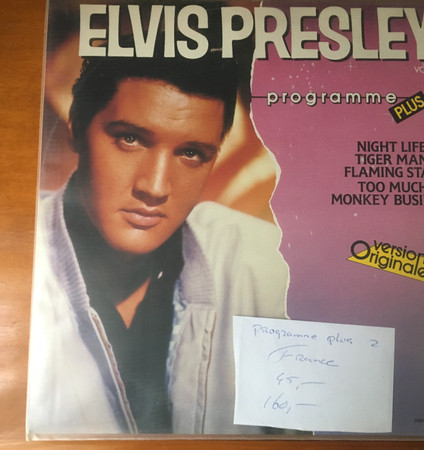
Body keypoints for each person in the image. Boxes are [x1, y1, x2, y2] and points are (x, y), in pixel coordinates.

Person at [26, 35, 289, 437]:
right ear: (76, 130)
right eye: (130, 139)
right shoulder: (12, 269)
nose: (155, 187)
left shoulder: (268, 264)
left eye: (192, 153)